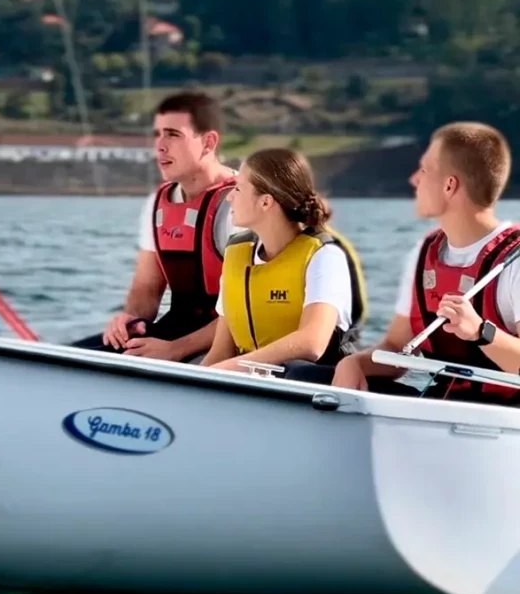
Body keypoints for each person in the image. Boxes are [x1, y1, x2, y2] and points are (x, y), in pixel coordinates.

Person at [332, 122, 520, 403]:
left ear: (449, 185)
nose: (414, 180)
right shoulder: (424, 252)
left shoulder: (514, 260)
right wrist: (355, 363)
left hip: (502, 419)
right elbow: (398, 347)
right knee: (305, 376)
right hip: (441, 407)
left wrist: (481, 332)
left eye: (424, 170)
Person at [72, 91, 238, 361]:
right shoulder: (157, 203)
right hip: (174, 330)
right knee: (76, 358)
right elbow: (147, 288)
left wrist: (176, 350)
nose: (160, 146)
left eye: (173, 134)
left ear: (208, 142)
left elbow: (251, 309)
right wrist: (129, 322)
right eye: (157, 135)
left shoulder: (241, 203)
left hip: (229, 342)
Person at [202, 147, 366, 377]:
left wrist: (232, 368)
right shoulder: (236, 254)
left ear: (266, 202)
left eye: (238, 189)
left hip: (313, 388)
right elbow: (219, 353)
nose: (229, 197)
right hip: (251, 385)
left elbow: (311, 343)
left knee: (296, 371)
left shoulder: (325, 257)